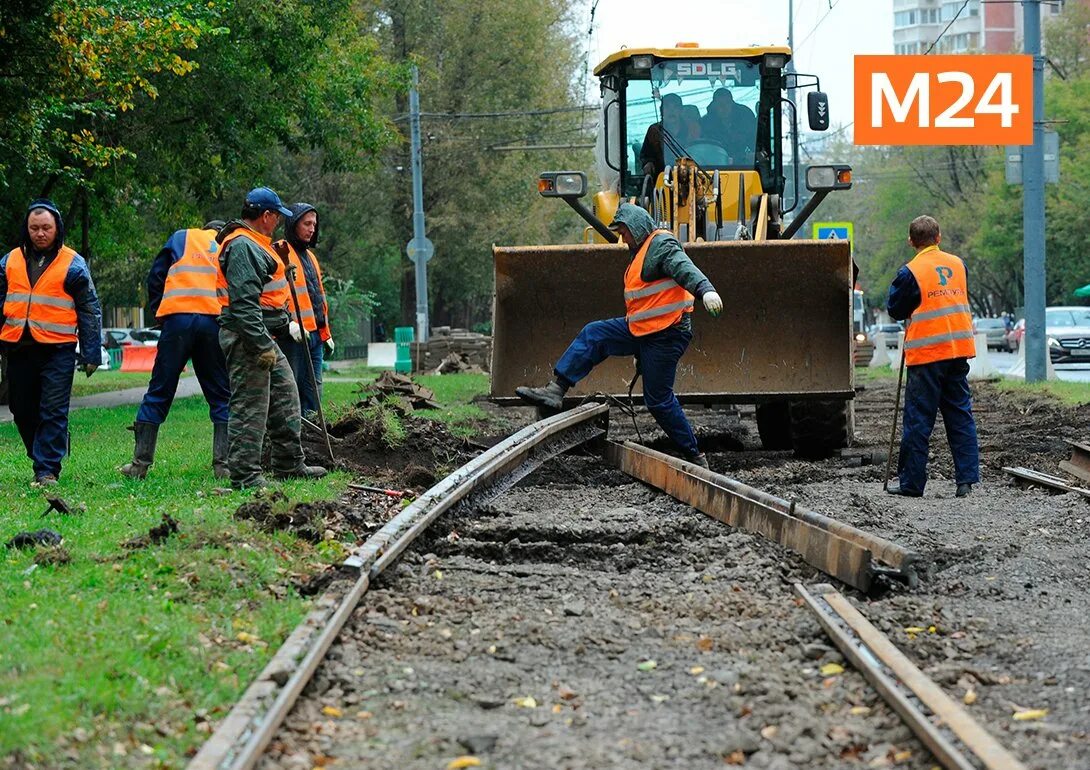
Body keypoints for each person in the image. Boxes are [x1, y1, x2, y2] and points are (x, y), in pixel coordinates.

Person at [515, 203, 723, 467]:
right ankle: (556, 390)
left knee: (658, 400)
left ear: (637, 228)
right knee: (595, 334)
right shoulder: (640, 253)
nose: (622, 239)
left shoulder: (661, 245)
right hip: (644, 332)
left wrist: (705, 289)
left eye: (624, 232)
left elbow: (684, 268)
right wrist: (639, 349)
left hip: (668, 334)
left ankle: (694, 455)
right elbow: (646, 307)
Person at [216, 187, 327, 489]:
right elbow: (243, 305)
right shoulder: (242, 246)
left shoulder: (256, 244)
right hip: (248, 338)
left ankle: (289, 465)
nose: (278, 222)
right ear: (266, 216)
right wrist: (261, 345)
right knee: (251, 406)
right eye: (277, 216)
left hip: (262, 336)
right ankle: (245, 476)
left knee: (286, 396)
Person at [0, 198, 102, 485]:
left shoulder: (73, 263)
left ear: (57, 228)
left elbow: (89, 308)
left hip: (58, 349)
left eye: (46, 227)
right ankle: (44, 453)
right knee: (21, 410)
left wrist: (92, 351)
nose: (40, 233)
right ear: (27, 229)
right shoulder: (9, 261)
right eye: (34, 228)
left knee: (53, 410)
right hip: (19, 347)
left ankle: (47, 470)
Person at [120, 220, 231, 479]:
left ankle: (139, 465)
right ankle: (223, 466)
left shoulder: (182, 237)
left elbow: (156, 276)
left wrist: (161, 312)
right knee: (221, 394)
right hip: (213, 322)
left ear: (204, 229)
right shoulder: (229, 244)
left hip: (178, 320)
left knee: (159, 390)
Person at [886, 215, 979, 498]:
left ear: (911, 241)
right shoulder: (958, 264)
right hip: (957, 350)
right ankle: (966, 482)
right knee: (960, 415)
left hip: (927, 354)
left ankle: (912, 484)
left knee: (918, 420)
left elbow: (896, 309)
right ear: (938, 237)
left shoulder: (910, 272)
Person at [275, 204, 333, 417]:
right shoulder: (279, 252)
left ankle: (312, 434)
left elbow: (317, 296)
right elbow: (274, 294)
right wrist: (288, 321)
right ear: (293, 224)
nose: (311, 229)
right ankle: (292, 435)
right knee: (291, 390)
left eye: (314, 225)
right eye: (307, 224)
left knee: (313, 392)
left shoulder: (310, 257)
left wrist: (325, 333)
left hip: (315, 335)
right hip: (293, 337)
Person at [700, 88, 757, 160]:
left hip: (745, 165)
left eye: (727, 103)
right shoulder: (706, 124)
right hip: (715, 163)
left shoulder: (745, 118)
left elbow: (754, 141)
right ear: (714, 106)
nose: (724, 108)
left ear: (732, 104)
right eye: (720, 104)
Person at [639, 93, 685, 178]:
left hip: (691, 177)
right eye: (667, 107)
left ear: (681, 110)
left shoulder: (692, 129)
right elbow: (646, 156)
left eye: (675, 107)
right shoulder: (654, 131)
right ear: (661, 110)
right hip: (662, 179)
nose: (671, 111)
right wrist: (648, 163)